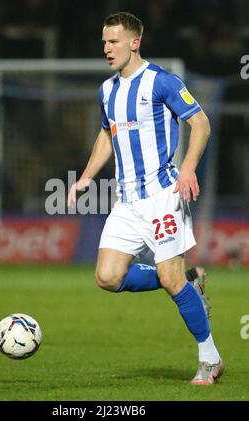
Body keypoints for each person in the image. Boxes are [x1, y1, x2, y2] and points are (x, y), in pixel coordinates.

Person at [68, 11, 223, 385]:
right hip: (126, 201)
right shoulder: (107, 90)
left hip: (163, 194)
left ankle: (210, 359)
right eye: (104, 42)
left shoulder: (161, 81)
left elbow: (200, 122)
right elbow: (107, 135)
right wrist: (86, 177)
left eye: (114, 41)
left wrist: (187, 168)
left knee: (169, 277)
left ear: (134, 42)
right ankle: (188, 281)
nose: (107, 48)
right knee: (107, 277)